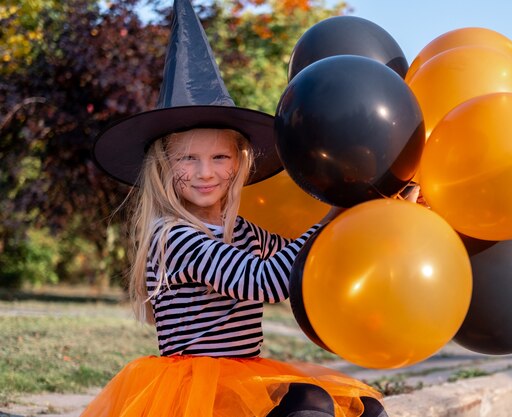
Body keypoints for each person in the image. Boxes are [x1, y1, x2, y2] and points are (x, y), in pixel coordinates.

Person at [82, 1, 388, 416]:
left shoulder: (243, 231)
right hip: (196, 393)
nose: (205, 173)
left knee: (362, 405)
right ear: (163, 166)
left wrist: (376, 211)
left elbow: (308, 259)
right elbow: (262, 281)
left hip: (244, 374)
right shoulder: (172, 236)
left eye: (220, 159)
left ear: (240, 163)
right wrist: (334, 213)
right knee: (310, 401)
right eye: (187, 159)